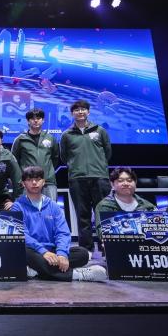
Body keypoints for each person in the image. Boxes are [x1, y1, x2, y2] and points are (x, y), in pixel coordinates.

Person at [11, 166, 107, 282]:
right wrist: (43, 252)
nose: (34, 182)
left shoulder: (53, 205)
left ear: (43, 182)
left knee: (82, 254)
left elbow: (62, 232)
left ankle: (36, 270)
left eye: (38, 179)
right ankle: (77, 275)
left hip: (52, 251)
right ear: (23, 183)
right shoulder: (17, 206)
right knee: (24, 251)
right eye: (29, 180)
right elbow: (22, 234)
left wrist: (62, 254)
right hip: (33, 251)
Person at [59, 100, 112, 253]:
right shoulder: (66, 135)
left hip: (100, 177)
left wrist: (98, 165)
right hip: (77, 179)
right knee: (83, 216)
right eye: (77, 110)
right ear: (72, 113)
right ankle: (86, 250)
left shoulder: (100, 131)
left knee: (103, 214)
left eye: (83, 109)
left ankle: (107, 248)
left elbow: (108, 153)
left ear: (88, 112)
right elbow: (64, 157)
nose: (80, 112)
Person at [94, 167, 156, 247]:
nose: (126, 183)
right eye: (120, 181)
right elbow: (102, 232)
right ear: (112, 184)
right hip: (117, 248)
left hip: (145, 248)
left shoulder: (148, 206)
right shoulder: (104, 206)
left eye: (129, 180)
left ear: (135, 183)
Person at [11, 108, 59, 202]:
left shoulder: (50, 138)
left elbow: (55, 159)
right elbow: (14, 162)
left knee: (50, 209)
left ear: (43, 120)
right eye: (32, 118)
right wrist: (22, 179)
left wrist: (47, 172)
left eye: (38, 118)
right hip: (28, 182)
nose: (36, 120)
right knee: (27, 210)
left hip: (48, 182)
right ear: (28, 121)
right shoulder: (20, 139)